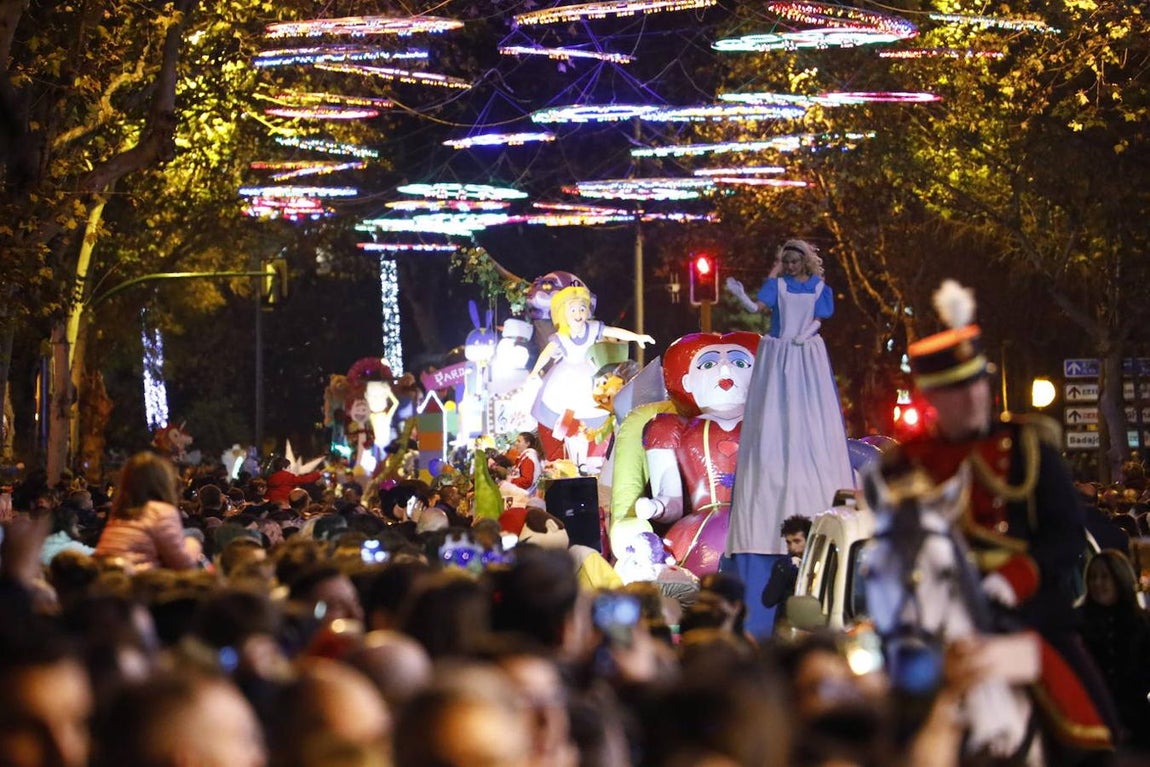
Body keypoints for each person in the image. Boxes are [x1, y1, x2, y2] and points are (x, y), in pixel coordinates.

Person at [869, 279, 1116, 753]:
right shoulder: (903, 464)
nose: (977, 398)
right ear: (932, 397)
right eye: (959, 390)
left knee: (1092, 726)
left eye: (978, 383)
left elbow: (1066, 534)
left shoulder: (1028, 446)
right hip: (929, 617)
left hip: (1021, 610)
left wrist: (1009, 582)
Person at [724, 240, 853, 636]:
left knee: (810, 419)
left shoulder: (817, 288)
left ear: (806, 261)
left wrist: (809, 331)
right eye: (787, 258)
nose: (792, 263)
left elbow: (820, 316)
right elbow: (759, 310)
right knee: (775, 423)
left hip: (805, 354)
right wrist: (742, 294)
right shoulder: (776, 287)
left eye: (797, 258)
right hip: (780, 355)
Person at [634, 332, 760, 576]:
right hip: (701, 526)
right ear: (686, 382)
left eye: (740, 363)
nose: (724, 370)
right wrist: (657, 507)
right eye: (709, 364)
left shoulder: (771, 424)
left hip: (761, 521)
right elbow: (672, 500)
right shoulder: (672, 427)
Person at [529, 285, 654, 460]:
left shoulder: (593, 328)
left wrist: (637, 337)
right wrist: (534, 372)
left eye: (582, 308)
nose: (578, 313)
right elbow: (546, 353)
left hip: (590, 377)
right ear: (564, 312)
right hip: (566, 380)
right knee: (567, 419)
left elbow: (613, 331)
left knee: (595, 416)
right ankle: (573, 458)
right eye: (573, 309)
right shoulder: (562, 336)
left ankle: (591, 459)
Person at [1076, 550, 1150, 752]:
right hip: (1091, 719)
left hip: (1135, 721)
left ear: (1120, 579)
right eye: (1093, 577)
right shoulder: (1078, 622)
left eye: (1105, 577)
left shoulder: (1140, 624)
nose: (1097, 583)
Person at [95, 452, 197, 571]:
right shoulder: (161, 511)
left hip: (107, 581)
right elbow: (184, 563)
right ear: (163, 482)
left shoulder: (118, 513)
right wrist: (194, 542)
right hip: (137, 584)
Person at [761, 515, 812, 615]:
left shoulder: (819, 563)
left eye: (797, 541)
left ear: (809, 540)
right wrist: (784, 571)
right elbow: (768, 600)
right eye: (788, 542)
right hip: (785, 625)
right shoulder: (782, 565)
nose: (792, 547)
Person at [504, 432, 543, 497]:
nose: (516, 443)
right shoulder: (527, 457)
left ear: (527, 443)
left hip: (526, 497)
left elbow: (526, 481)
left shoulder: (528, 458)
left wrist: (511, 480)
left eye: (519, 441)